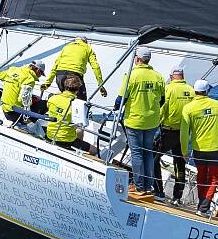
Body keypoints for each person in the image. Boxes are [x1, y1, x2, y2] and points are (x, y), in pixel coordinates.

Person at [117, 47, 165, 197]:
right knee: (148, 153)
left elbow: (121, 99)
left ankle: (139, 186)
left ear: (137, 59)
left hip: (134, 120)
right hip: (152, 121)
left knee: (137, 153)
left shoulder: (131, 75)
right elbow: (162, 100)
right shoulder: (158, 76)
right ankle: (148, 185)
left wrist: (116, 107)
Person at [179, 79, 218, 216]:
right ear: (207, 91)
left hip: (198, 150)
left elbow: (184, 133)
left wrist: (184, 151)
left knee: (201, 177)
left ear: (195, 91)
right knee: (214, 179)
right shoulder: (216, 105)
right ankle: (203, 208)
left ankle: (201, 205)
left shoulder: (188, 108)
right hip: (216, 149)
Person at [157, 64, 195, 203]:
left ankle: (158, 190)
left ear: (171, 76)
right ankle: (177, 197)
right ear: (183, 76)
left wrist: (156, 123)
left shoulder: (168, 88)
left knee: (153, 157)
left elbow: (162, 108)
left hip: (168, 131)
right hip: (184, 134)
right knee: (180, 164)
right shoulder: (191, 91)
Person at [42, 36, 107, 100]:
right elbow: (96, 67)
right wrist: (100, 85)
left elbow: (55, 65)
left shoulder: (66, 47)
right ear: (85, 42)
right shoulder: (88, 48)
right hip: (74, 76)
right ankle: (54, 98)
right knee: (81, 102)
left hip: (60, 76)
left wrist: (47, 83)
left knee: (66, 96)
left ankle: (54, 99)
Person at [44, 74, 91, 153]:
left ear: (63, 86)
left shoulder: (52, 99)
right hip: (67, 141)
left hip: (50, 136)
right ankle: (78, 151)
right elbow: (82, 124)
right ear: (78, 89)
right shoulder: (78, 105)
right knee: (96, 151)